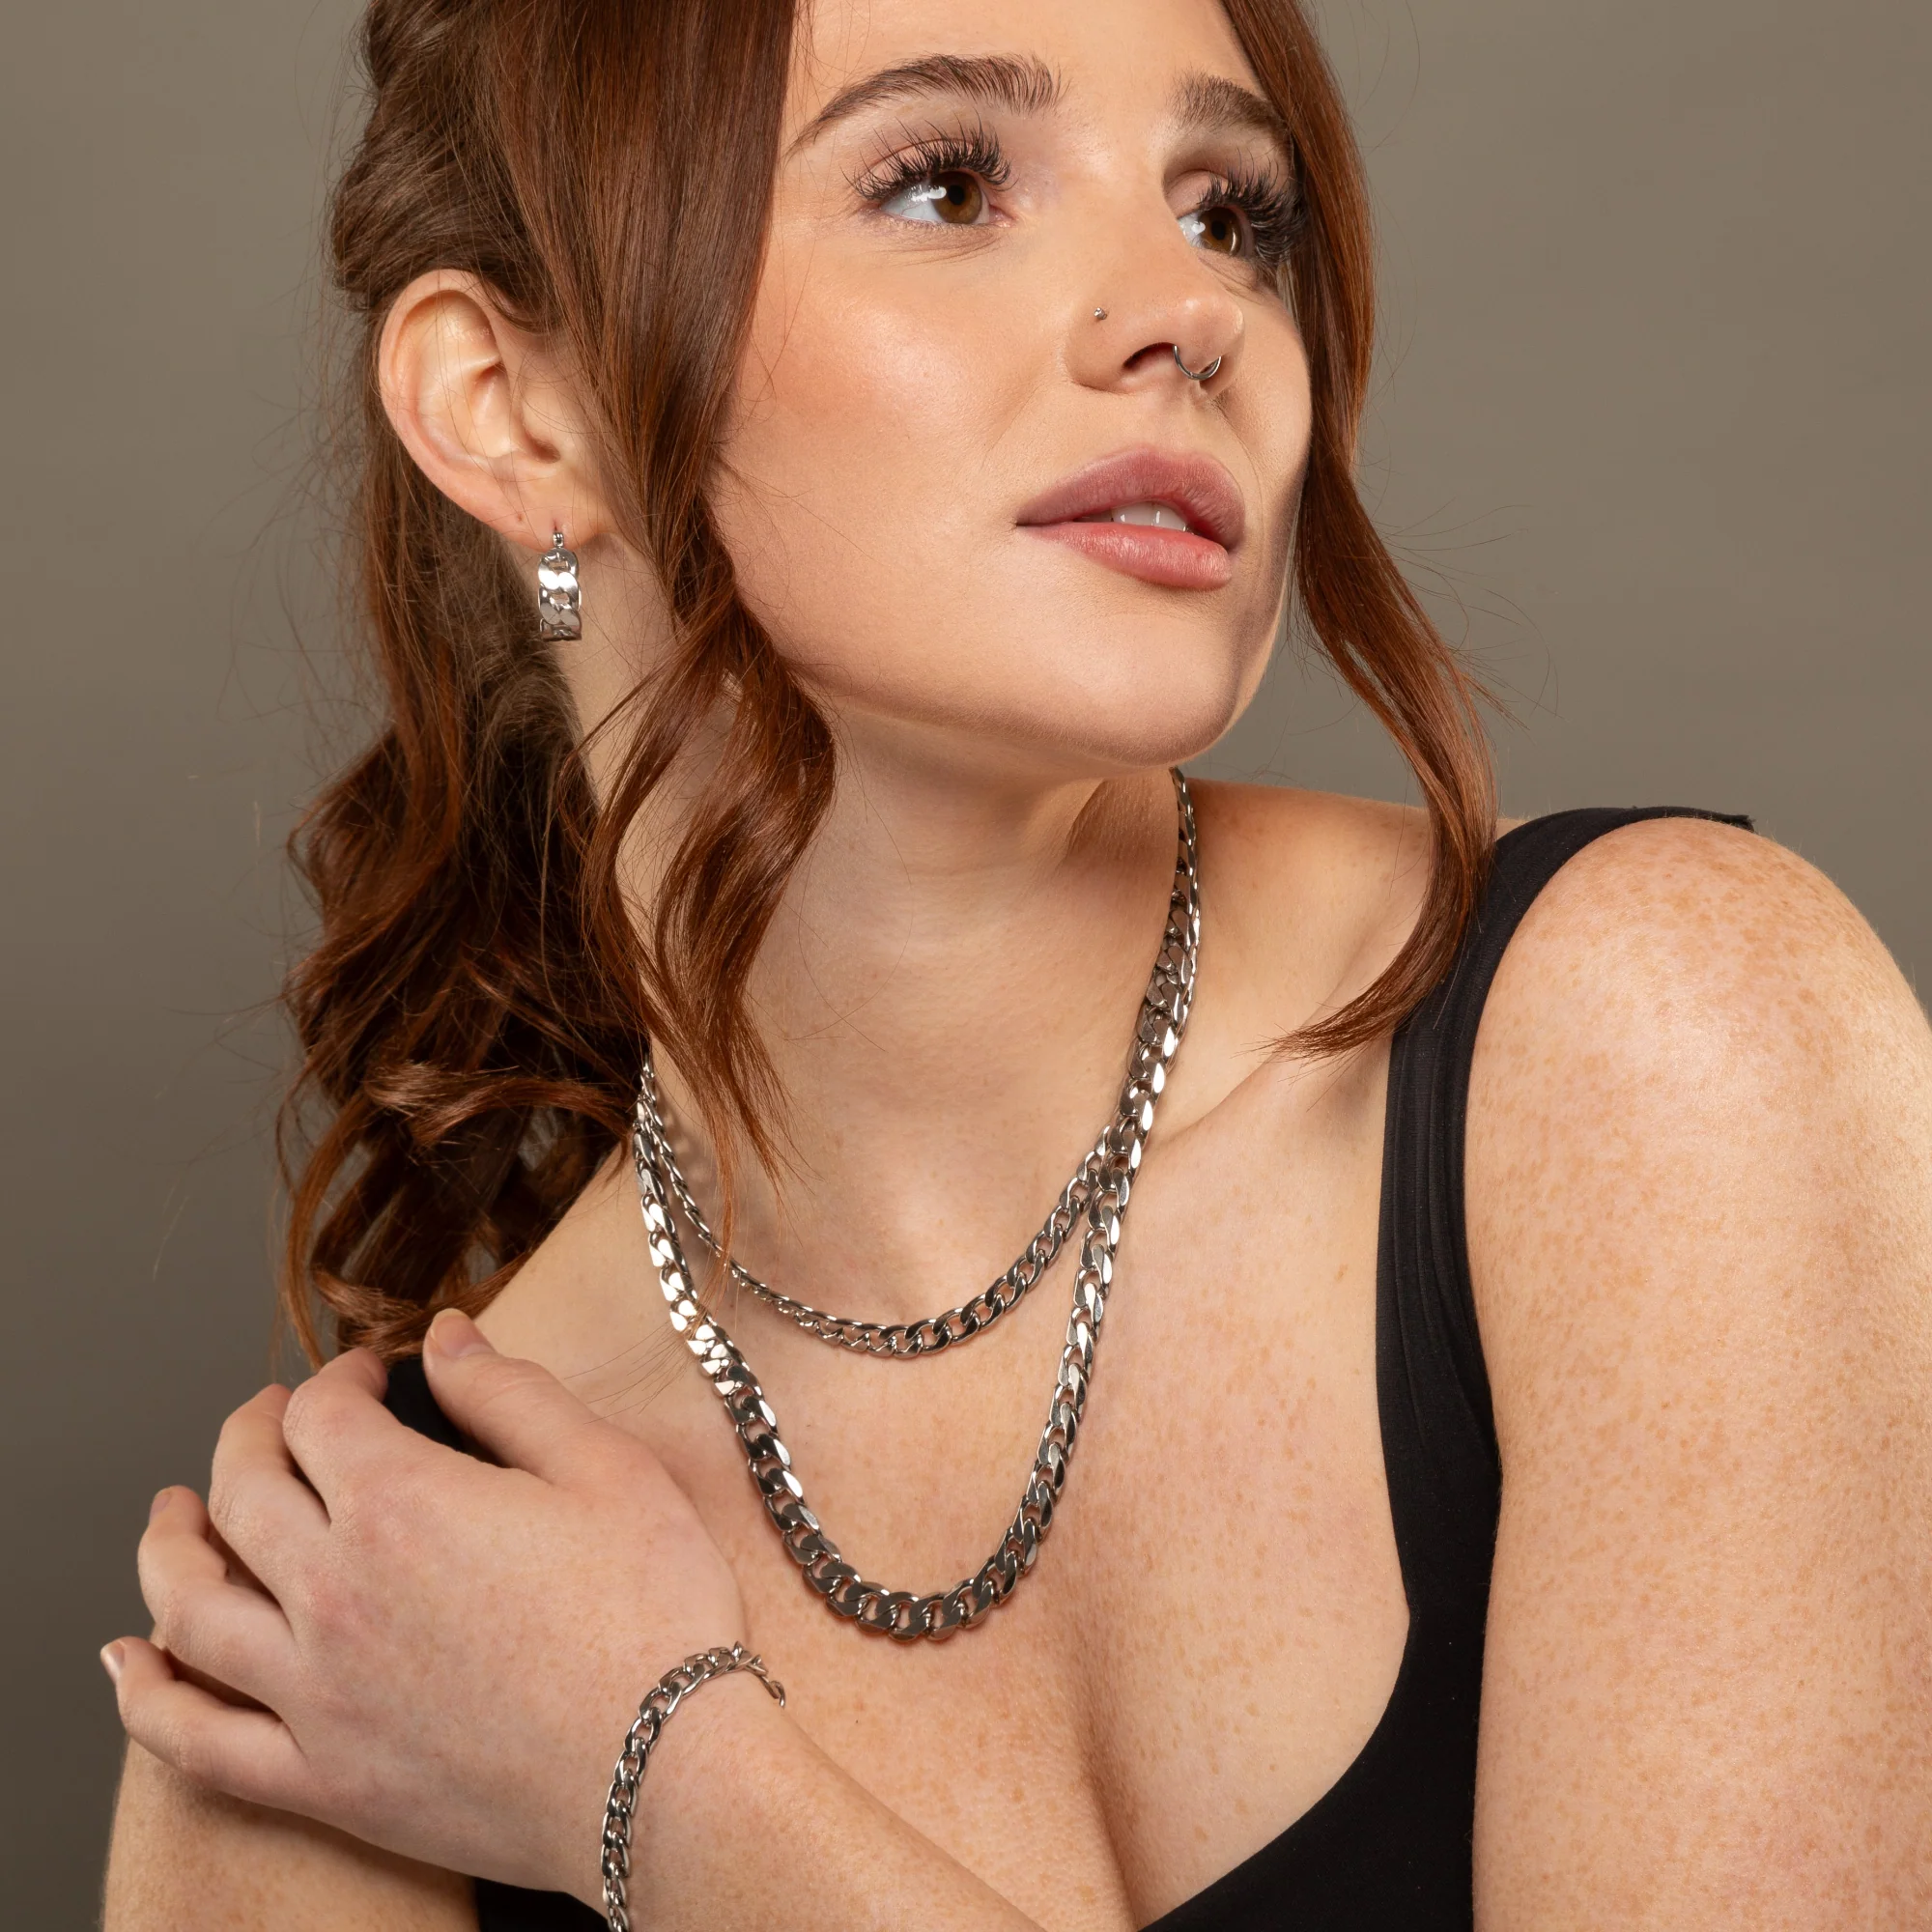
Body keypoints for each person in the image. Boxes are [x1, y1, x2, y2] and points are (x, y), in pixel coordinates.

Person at [99, 0, 1932, 1926]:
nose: (1191, 311)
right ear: (508, 407)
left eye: (1229, 211)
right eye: (947, 184)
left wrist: (653, 1775)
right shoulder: (358, 1614)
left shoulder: (1661, 1051)